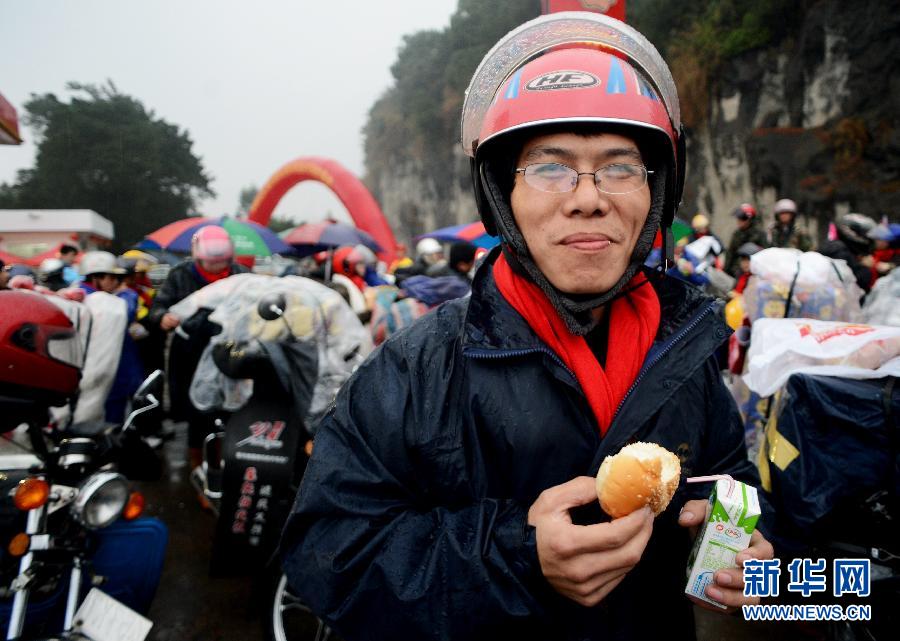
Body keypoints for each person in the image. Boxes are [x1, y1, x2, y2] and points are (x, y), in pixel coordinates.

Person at [281, 13, 772, 641]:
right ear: (500, 196)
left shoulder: (685, 347)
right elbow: (329, 555)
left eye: (620, 167)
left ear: (658, 193)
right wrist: (514, 553)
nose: (588, 197)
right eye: (550, 167)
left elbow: (732, 478)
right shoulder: (418, 369)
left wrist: (740, 549)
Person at [148, 226, 248, 467]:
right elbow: (158, 307)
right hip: (190, 354)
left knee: (231, 410)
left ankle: (230, 461)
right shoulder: (179, 275)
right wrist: (163, 317)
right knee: (197, 413)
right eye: (209, 264)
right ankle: (197, 467)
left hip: (230, 352)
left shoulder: (241, 274)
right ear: (196, 256)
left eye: (221, 263)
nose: (216, 268)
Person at [78, 251, 144, 423]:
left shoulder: (80, 294)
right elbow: (125, 312)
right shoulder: (96, 299)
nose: (116, 282)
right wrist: (127, 294)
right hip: (106, 373)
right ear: (96, 278)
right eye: (112, 277)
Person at [820, 212, 877, 294]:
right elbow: (852, 281)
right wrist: (867, 268)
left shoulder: (841, 248)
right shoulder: (838, 251)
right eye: (865, 235)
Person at [724, 203, 768, 277]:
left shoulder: (760, 234)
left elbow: (765, 254)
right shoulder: (736, 234)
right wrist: (726, 270)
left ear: (750, 220)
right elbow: (730, 253)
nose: (739, 221)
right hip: (736, 271)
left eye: (742, 218)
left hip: (754, 271)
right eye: (738, 218)